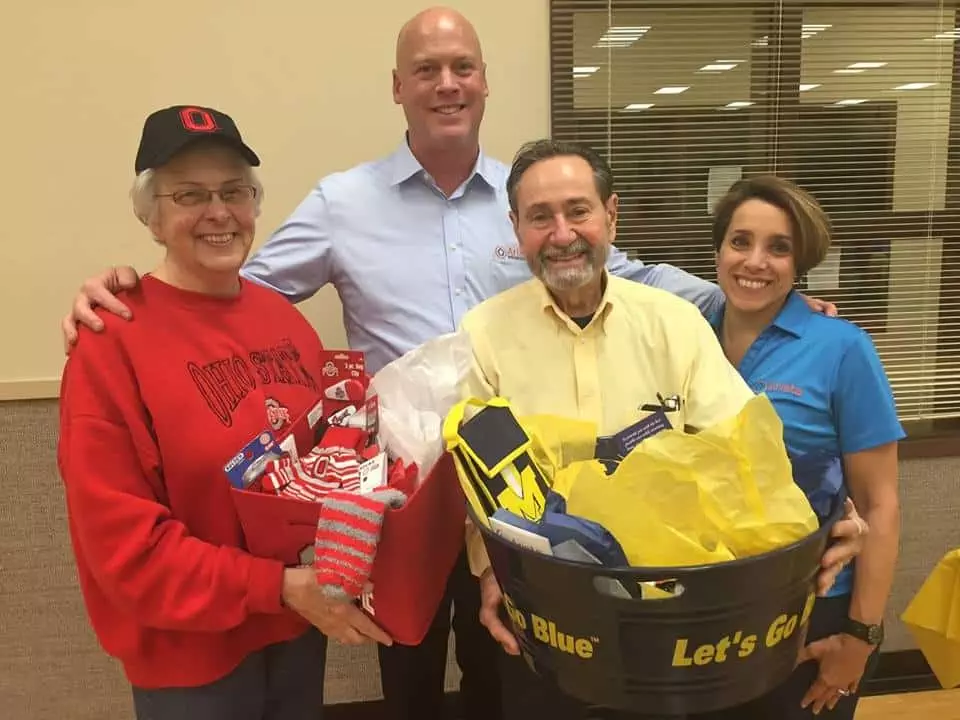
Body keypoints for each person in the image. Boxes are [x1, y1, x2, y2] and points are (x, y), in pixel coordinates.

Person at [56, 9, 835, 719]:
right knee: (412, 685)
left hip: (516, 515)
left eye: (462, 65)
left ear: (485, 81)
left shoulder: (532, 196)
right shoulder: (342, 203)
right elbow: (219, 287)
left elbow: (633, 278)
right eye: (426, 69)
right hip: (404, 513)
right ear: (399, 87)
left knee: (506, 680)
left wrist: (768, 299)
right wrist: (122, 286)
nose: (447, 83)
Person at [456, 139, 870, 720]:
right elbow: (476, 479)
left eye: (578, 211)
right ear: (515, 227)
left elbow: (747, 449)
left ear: (611, 215)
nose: (562, 233)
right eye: (539, 217)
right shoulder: (482, 335)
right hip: (551, 622)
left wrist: (826, 513)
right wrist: (490, 571)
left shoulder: (673, 320)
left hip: (671, 627)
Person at [57, 104, 390, 720]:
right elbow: (123, 550)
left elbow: (331, 465)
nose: (218, 212)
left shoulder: (285, 322)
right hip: (192, 658)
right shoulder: (112, 342)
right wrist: (277, 588)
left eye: (235, 191)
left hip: (295, 632)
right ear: (151, 216)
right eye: (189, 194)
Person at [702, 176, 902, 719]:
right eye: (740, 241)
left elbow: (880, 505)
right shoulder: (686, 337)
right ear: (718, 248)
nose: (755, 261)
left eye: (779, 247)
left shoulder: (842, 349)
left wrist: (860, 637)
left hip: (813, 615)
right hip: (704, 614)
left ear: (800, 262)